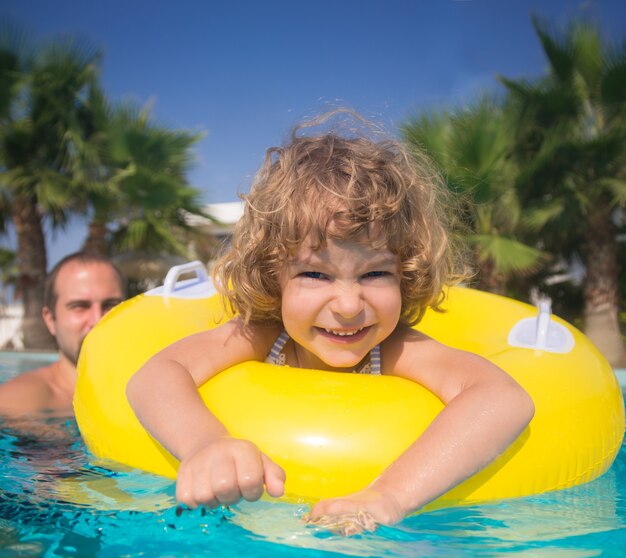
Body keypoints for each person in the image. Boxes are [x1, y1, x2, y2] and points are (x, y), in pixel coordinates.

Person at [126, 113, 534, 532]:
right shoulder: (265, 337)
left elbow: (503, 398)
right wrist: (206, 443)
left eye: (375, 274)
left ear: (405, 275)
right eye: (315, 274)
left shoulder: (394, 348)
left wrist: (389, 494)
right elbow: (155, 375)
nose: (347, 305)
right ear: (274, 276)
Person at [0, 251, 126, 417]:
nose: (98, 320)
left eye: (111, 305)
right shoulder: (19, 402)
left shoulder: (149, 384)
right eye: (80, 306)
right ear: (50, 320)